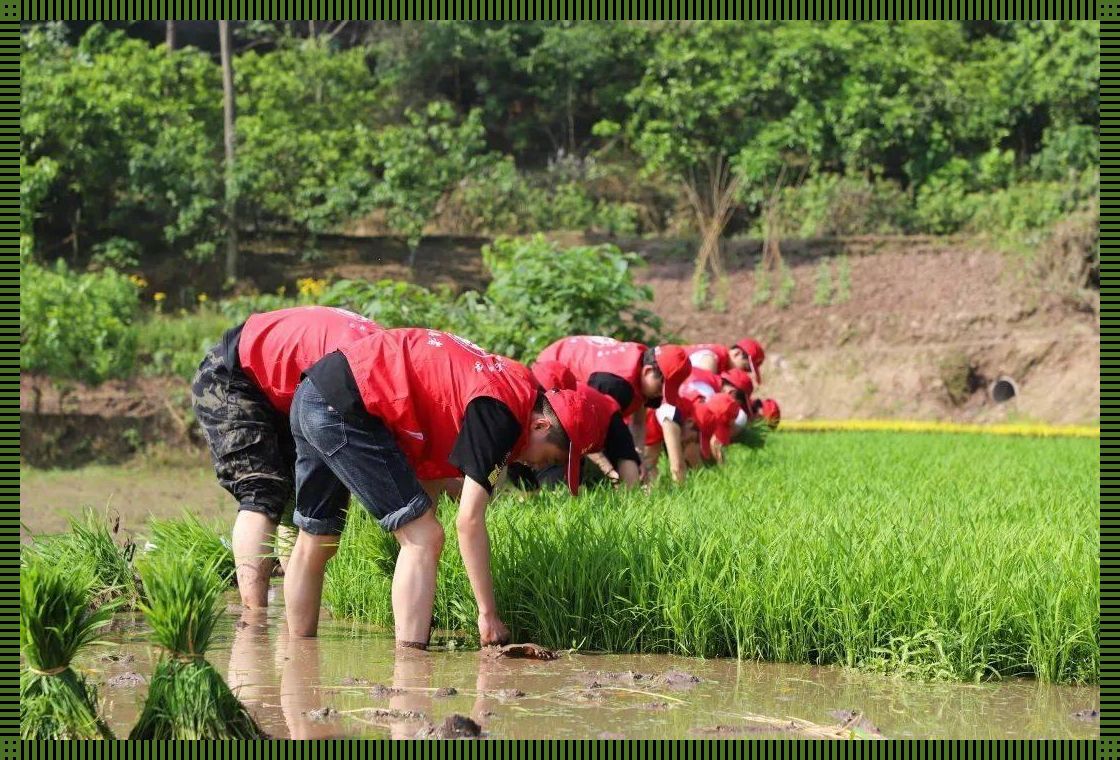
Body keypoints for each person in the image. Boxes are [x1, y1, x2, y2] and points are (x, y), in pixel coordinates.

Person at [285, 327, 609, 644]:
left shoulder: (510, 386)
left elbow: (430, 473)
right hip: (346, 405)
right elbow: (468, 521)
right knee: (424, 536)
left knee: (318, 537)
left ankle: (297, 660)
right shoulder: (502, 414)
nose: (540, 467)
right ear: (541, 425)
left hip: (315, 391)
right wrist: (488, 614)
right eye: (552, 458)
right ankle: (410, 670)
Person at [191, 305, 382, 608]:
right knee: (262, 490)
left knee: (303, 496)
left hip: (291, 389)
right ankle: (253, 615)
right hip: (235, 374)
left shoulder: (381, 355)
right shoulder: (366, 363)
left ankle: (294, 608)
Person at [535, 336, 690, 480]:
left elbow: (638, 422)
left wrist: (639, 459)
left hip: (579, 364)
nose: (661, 395)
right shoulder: (616, 385)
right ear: (648, 371)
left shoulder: (642, 366)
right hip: (552, 371)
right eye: (661, 386)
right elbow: (586, 428)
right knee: (563, 445)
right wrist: (608, 469)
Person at [687, 339, 766, 387]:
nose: (744, 373)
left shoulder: (720, 359)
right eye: (745, 368)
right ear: (737, 353)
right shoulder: (711, 359)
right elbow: (697, 390)